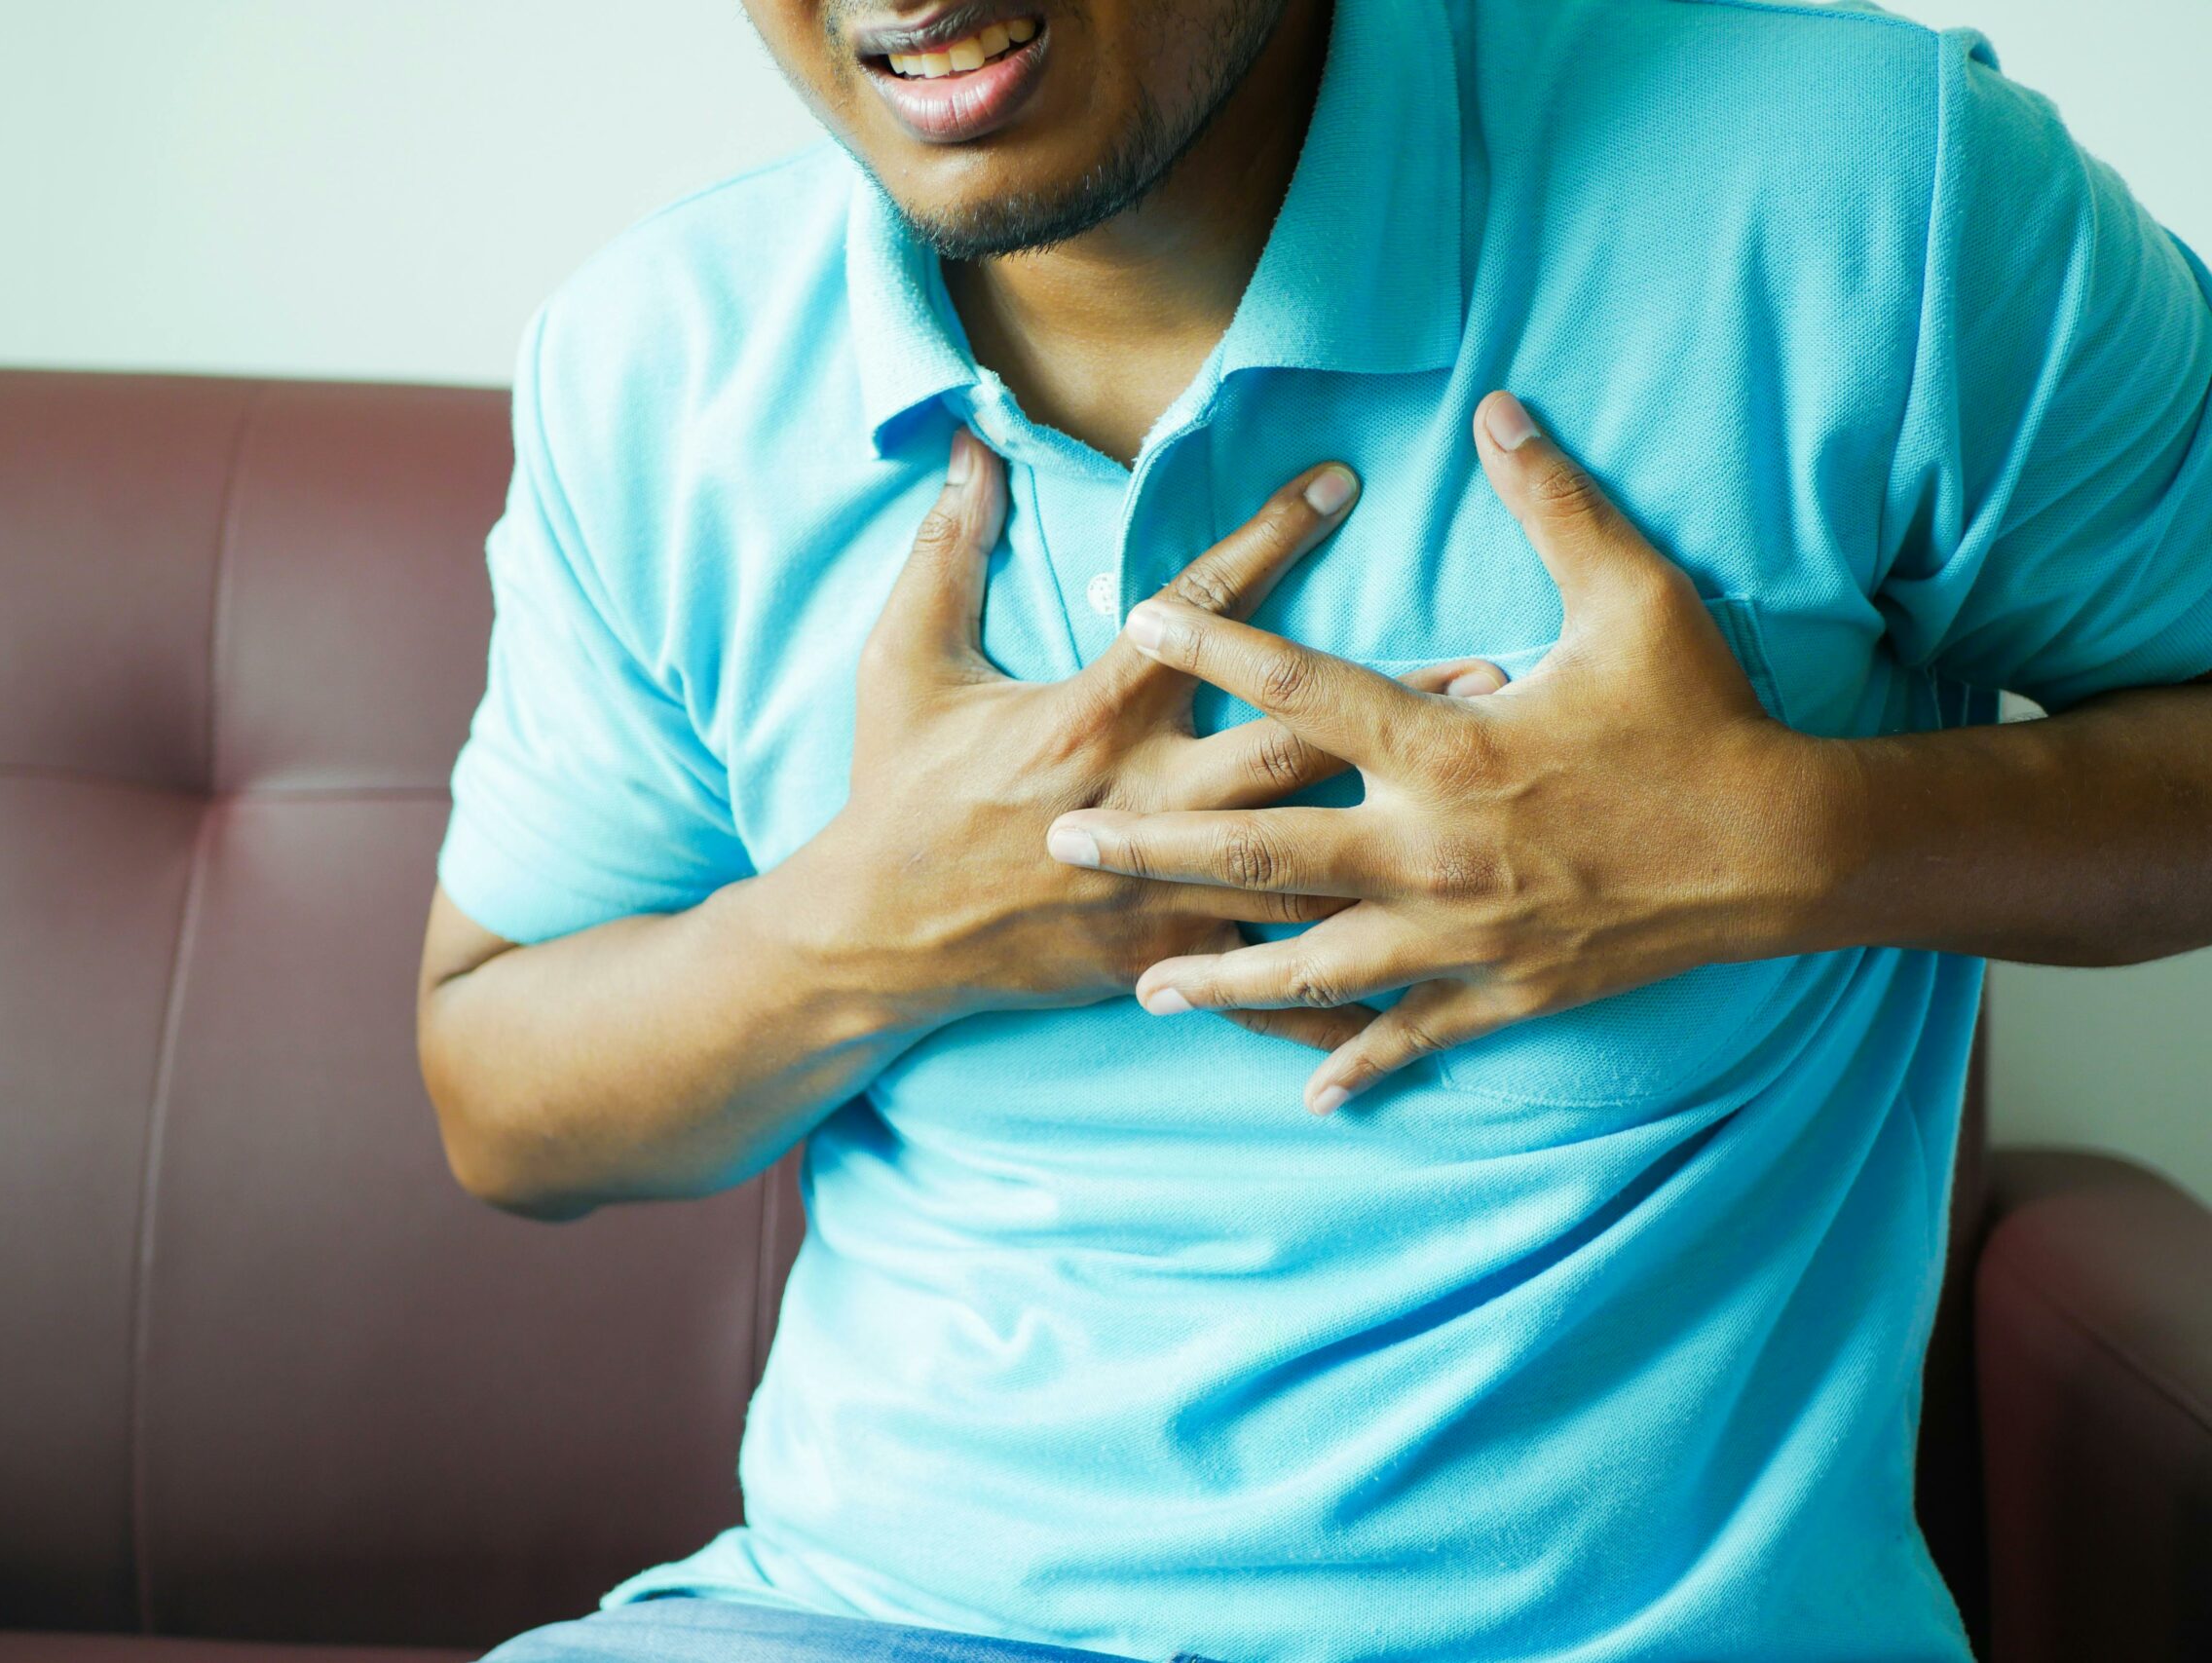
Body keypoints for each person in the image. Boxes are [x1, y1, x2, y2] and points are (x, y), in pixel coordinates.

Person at [412, 1, 2212, 1659]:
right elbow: (500, 1095)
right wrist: (870, 928)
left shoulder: (1871, 184)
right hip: (847, 1618)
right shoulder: (649, 362)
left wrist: (1788, 843)